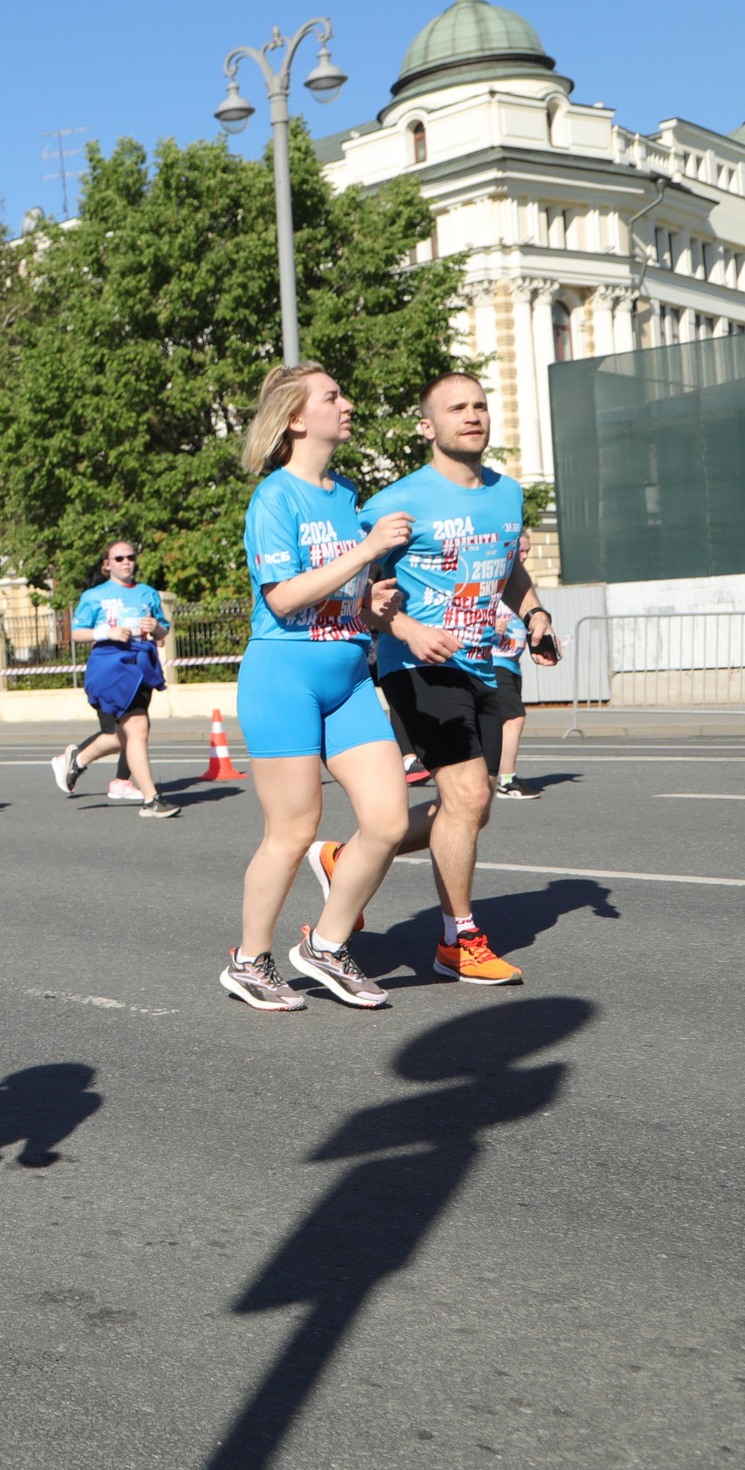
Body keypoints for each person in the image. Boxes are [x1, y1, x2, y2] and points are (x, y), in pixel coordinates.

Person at [349, 373, 560, 985]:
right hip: (417, 665)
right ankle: (456, 941)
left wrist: (535, 613)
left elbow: (508, 568)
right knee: (467, 797)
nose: (472, 416)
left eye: (480, 406)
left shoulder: (507, 494)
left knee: (471, 805)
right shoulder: (394, 503)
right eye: (456, 408)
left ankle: (348, 858)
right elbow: (354, 596)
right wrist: (408, 630)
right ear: (427, 426)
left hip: (484, 660)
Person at [223, 363, 413, 1012]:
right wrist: (364, 555)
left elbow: (343, 600)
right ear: (297, 417)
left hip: (350, 673)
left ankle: (327, 944)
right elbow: (281, 599)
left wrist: (376, 606)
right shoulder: (274, 497)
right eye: (333, 396)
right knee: (294, 827)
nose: (348, 403)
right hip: (284, 676)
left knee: (388, 821)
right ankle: (250, 959)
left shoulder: (346, 493)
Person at [50, 542, 179, 819]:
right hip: (110, 667)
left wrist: (154, 628)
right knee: (138, 726)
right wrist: (107, 632)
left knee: (124, 735)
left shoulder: (147, 593)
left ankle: (78, 759)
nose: (126, 562)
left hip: (142, 666)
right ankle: (151, 799)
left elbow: (162, 629)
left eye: (130, 557)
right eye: (119, 558)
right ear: (107, 564)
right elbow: (76, 633)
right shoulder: (94, 596)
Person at [488, 603, 537, 800]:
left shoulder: (520, 597)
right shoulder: (492, 592)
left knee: (498, 721)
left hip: (512, 665)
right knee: (514, 718)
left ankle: (489, 775)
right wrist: (491, 626)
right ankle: (507, 780)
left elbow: (528, 627)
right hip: (495, 662)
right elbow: (467, 623)